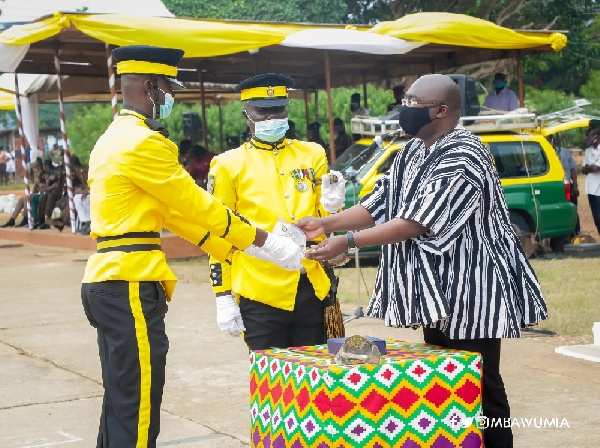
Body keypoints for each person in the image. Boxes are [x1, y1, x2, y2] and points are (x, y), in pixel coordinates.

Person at [295, 74, 548, 448]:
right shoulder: (412, 152)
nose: (403, 108)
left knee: (480, 384)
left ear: (441, 110)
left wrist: (345, 242)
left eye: (412, 102)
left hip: (472, 288)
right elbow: (380, 203)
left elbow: (415, 222)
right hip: (436, 292)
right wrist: (325, 223)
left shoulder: (465, 154)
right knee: (445, 380)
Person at [80, 46, 304, 448]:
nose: (171, 97)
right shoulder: (144, 143)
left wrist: (236, 249)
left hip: (110, 280)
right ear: (150, 88)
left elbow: (171, 215)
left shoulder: (113, 138)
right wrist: (265, 240)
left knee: (122, 399)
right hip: (130, 280)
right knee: (139, 402)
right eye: (168, 88)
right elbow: (198, 204)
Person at [207, 72, 346, 350]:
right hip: (260, 290)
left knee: (313, 376)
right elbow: (218, 231)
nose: (272, 118)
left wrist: (333, 209)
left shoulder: (312, 154)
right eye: (263, 112)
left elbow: (323, 219)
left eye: (278, 110)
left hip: (312, 285)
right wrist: (222, 294)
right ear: (247, 114)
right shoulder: (227, 165)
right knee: (270, 383)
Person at [582, 126, 600, 234]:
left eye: (590, 135)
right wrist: (591, 167)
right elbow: (583, 169)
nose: (588, 138)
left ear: (597, 137)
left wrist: (590, 167)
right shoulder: (588, 151)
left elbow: (597, 168)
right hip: (590, 189)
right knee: (596, 216)